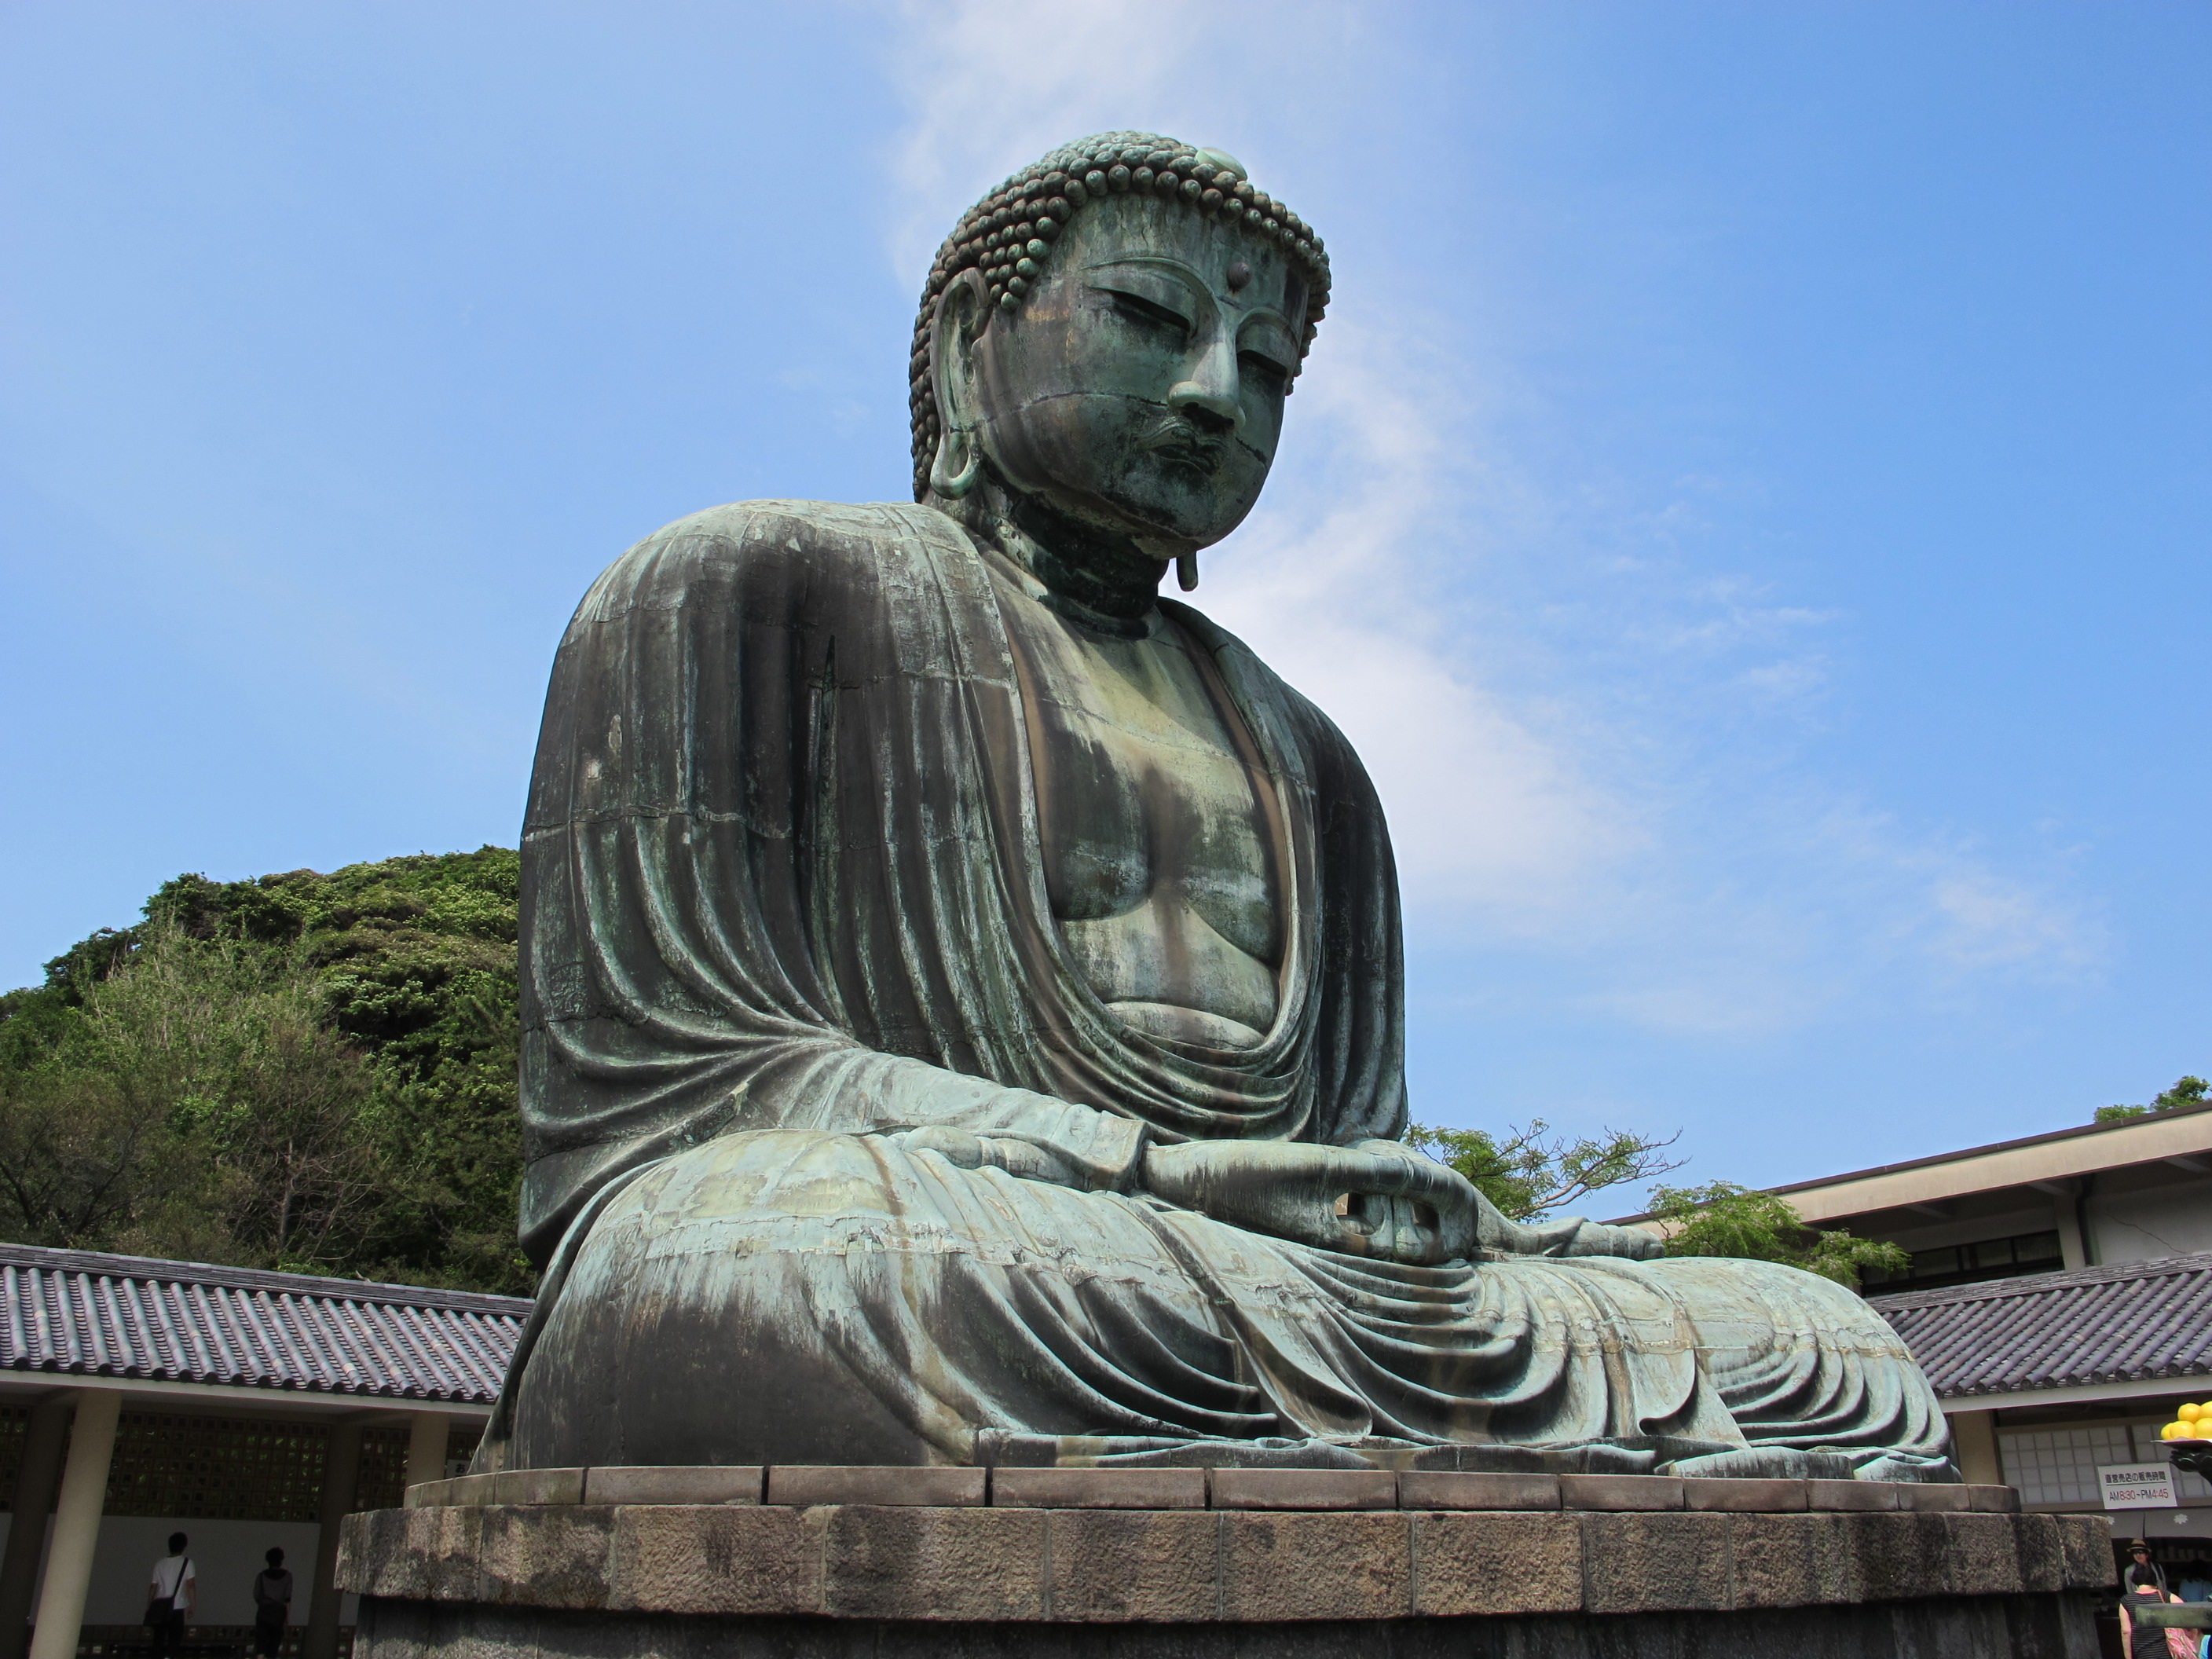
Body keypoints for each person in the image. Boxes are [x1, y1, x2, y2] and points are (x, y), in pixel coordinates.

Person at [478, 130, 1955, 1481]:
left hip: (1235, 1281)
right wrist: (1152, 1167)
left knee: (1820, 1337)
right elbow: (679, 1098)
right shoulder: (739, 589)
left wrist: (1441, 1228)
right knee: (749, 1266)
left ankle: (1339, 1433)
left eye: (1264, 371)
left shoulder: (1309, 752)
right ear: (960, 348)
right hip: (949, 1232)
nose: (1213, 397)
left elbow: (1353, 1148)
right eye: (1151, 321)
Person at [144, 1533, 192, 1659]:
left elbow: (153, 1587)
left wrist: (149, 1606)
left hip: (160, 1606)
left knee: (158, 1639)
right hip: (178, 1607)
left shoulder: (160, 1563)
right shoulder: (187, 1563)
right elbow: (191, 1586)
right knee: (174, 1641)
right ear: (184, 1546)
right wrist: (192, 1605)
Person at [251, 1547, 293, 1658]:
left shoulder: (261, 1576)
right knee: (273, 1647)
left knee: (261, 1644)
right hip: (278, 1615)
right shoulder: (288, 1576)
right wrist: (287, 1621)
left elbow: (256, 1594)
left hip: (263, 1613)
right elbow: (287, 1599)